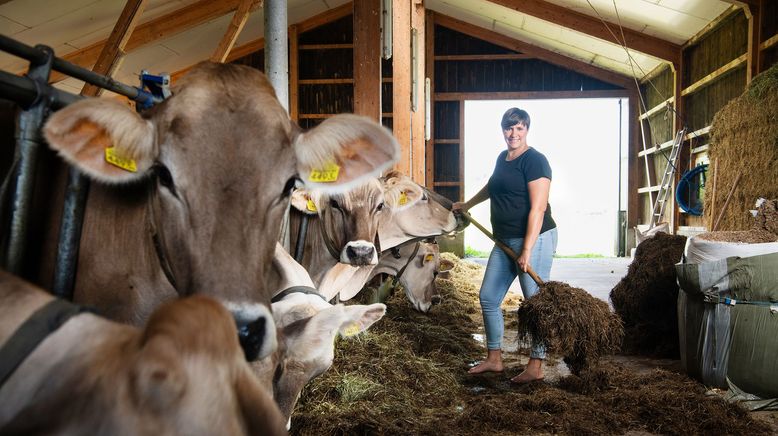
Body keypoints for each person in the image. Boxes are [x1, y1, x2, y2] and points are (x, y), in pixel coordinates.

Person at [452, 107, 557, 384]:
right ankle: (494, 359)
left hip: (535, 239)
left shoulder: (536, 161)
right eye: (509, 128)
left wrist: (526, 250)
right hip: (503, 240)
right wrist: (468, 204)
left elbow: (538, 209)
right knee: (488, 297)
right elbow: (492, 186)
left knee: (535, 303)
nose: (513, 133)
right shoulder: (503, 158)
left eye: (519, 128)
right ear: (503, 130)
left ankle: (536, 364)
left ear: (527, 130)